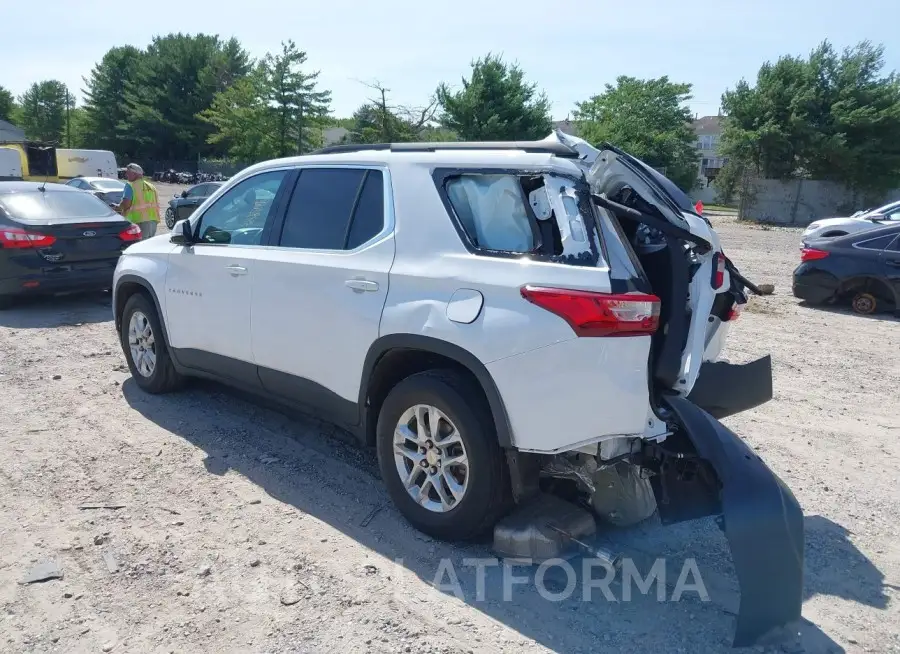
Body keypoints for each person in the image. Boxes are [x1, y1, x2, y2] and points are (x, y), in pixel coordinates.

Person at [117, 163, 160, 240]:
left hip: (138, 222)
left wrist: (116, 208)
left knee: (138, 247)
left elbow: (126, 204)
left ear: (135, 173)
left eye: (128, 172)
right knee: (149, 246)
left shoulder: (131, 185)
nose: (126, 174)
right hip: (153, 222)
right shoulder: (151, 186)